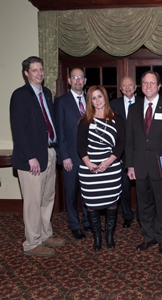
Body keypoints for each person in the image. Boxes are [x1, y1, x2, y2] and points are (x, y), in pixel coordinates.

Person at [10, 56, 65, 257]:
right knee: (33, 201)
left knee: (47, 197)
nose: (39, 73)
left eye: (41, 69)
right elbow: (19, 129)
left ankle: (44, 234)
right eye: (34, 70)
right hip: (32, 158)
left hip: (49, 152)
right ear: (26, 73)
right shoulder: (20, 95)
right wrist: (29, 156)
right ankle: (31, 243)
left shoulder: (47, 93)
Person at [125, 71, 162, 255]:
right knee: (144, 205)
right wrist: (130, 165)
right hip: (140, 166)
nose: (148, 86)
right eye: (144, 83)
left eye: (152, 83)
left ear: (159, 86)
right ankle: (148, 237)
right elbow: (129, 140)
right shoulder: (134, 109)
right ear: (140, 86)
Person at [77, 85, 125, 251]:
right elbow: (80, 146)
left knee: (112, 203)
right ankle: (97, 236)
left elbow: (121, 143)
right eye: (93, 98)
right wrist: (90, 165)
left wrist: (108, 162)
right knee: (92, 204)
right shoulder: (84, 121)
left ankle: (109, 235)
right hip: (89, 169)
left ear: (105, 97)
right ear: (90, 101)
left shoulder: (117, 119)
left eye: (99, 96)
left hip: (110, 168)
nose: (97, 100)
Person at [55, 68, 90, 240]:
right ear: (69, 81)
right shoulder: (61, 102)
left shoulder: (91, 101)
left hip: (89, 157)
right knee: (70, 193)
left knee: (87, 191)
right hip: (71, 157)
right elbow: (60, 132)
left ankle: (87, 221)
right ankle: (74, 224)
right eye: (74, 77)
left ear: (85, 81)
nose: (77, 80)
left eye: (80, 77)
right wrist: (64, 156)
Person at [110, 76, 142, 228]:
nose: (128, 88)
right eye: (124, 86)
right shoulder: (113, 105)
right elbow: (111, 131)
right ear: (121, 89)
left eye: (130, 85)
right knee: (125, 188)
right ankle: (127, 215)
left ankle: (143, 215)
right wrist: (119, 154)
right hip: (121, 155)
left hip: (141, 153)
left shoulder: (143, 103)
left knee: (143, 187)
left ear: (135, 87)